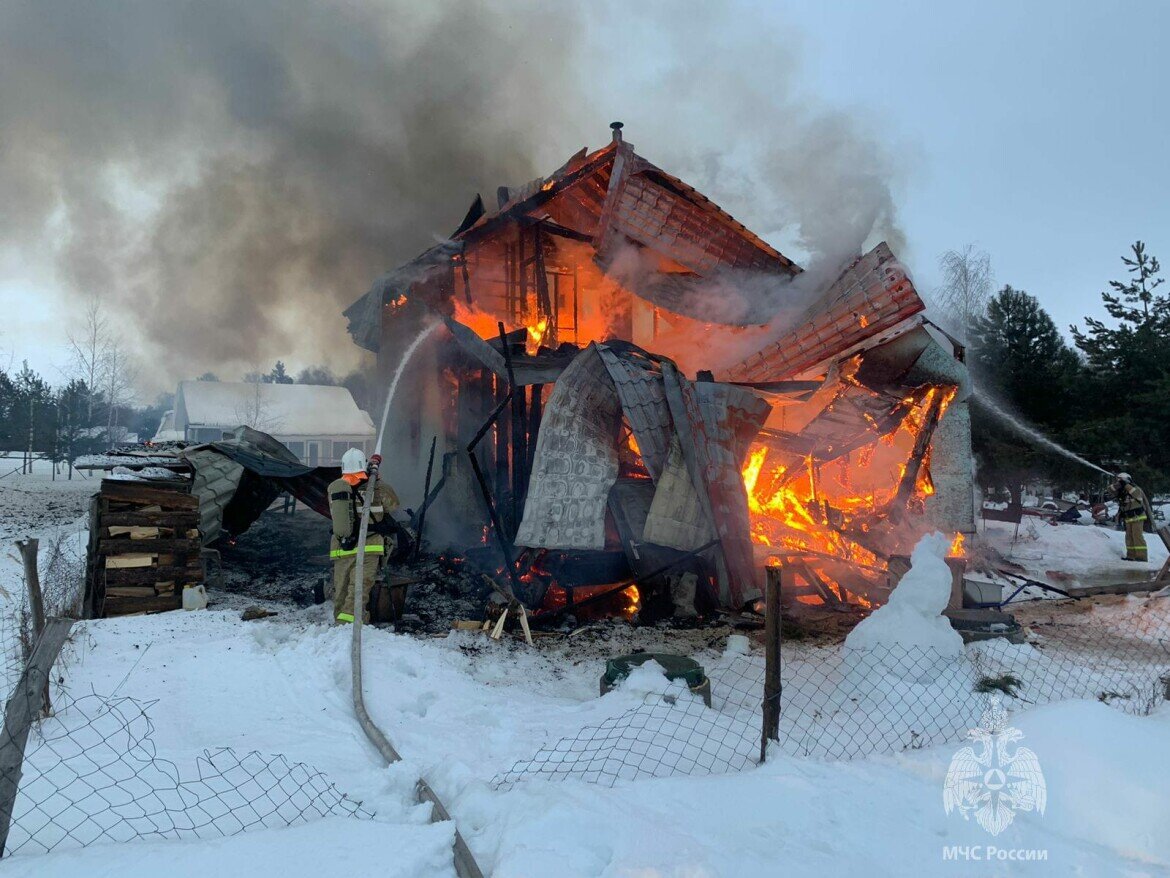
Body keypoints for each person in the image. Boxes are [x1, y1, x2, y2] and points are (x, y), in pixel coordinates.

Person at [328, 448, 400, 623]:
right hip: (368, 547)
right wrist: (377, 479)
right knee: (358, 591)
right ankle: (349, 628)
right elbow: (394, 505)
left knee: (341, 592)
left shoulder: (334, 489)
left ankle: (340, 628)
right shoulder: (377, 488)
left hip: (341, 548)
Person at [1113, 472, 1153, 562]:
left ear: (1126, 480)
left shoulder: (1136, 488)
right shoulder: (1123, 491)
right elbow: (1110, 490)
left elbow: (1136, 494)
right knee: (1129, 537)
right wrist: (1117, 485)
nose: (1118, 482)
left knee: (1137, 536)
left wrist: (1126, 485)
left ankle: (1142, 557)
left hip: (1137, 516)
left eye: (1120, 480)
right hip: (1128, 517)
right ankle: (1131, 556)